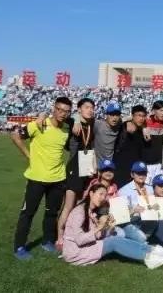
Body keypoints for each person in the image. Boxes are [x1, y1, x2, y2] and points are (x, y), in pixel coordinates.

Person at [11, 97, 72, 259]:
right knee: (28, 213)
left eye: (66, 111)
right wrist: (28, 155)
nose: (62, 114)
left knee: (52, 213)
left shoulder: (67, 128)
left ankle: (47, 241)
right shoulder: (40, 124)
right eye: (59, 110)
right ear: (54, 108)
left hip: (58, 179)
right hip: (37, 178)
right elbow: (15, 135)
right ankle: (19, 247)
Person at [62, 183, 163, 269]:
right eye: (100, 194)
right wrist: (99, 227)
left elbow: (97, 235)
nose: (103, 198)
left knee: (115, 236)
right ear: (91, 193)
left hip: (86, 246)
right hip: (76, 252)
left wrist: (108, 226)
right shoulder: (79, 213)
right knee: (113, 242)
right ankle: (149, 258)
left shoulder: (91, 212)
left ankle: (152, 250)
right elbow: (80, 240)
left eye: (105, 195)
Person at [58, 98, 97, 252]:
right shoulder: (72, 121)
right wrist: (75, 119)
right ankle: (59, 237)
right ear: (79, 109)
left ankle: (74, 233)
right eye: (87, 107)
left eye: (92, 107)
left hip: (86, 166)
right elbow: (60, 116)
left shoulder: (92, 123)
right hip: (74, 166)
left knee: (79, 204)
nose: (90, 110)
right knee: (68, 205)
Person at [117, 161, 157, 242]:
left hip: (147, 222)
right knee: (141, 238)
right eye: (138, 173)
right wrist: (133, 210)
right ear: (132, 174)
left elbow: (153, 207)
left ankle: (143, 239)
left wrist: (155, 206)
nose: (141, 176)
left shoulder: (150, 189)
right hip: (131, 223)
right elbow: (120, 216)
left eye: (144, 173)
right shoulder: (123, 191)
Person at [115, 106, 148, 186]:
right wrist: (126, 122)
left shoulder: (143, 131)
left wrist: (144, 128)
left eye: (143, 116)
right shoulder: (122, 127)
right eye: (139, 115)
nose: (141, 118)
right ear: (132, 116)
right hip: (120, 168)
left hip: (134, 170)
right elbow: (114, 121)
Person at [142, 101, 163, 185]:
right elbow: (129, 120)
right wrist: (143, 128)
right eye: (161, 110)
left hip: (159, 163)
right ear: (154, 111)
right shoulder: (145, 121)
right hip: (146, 162)